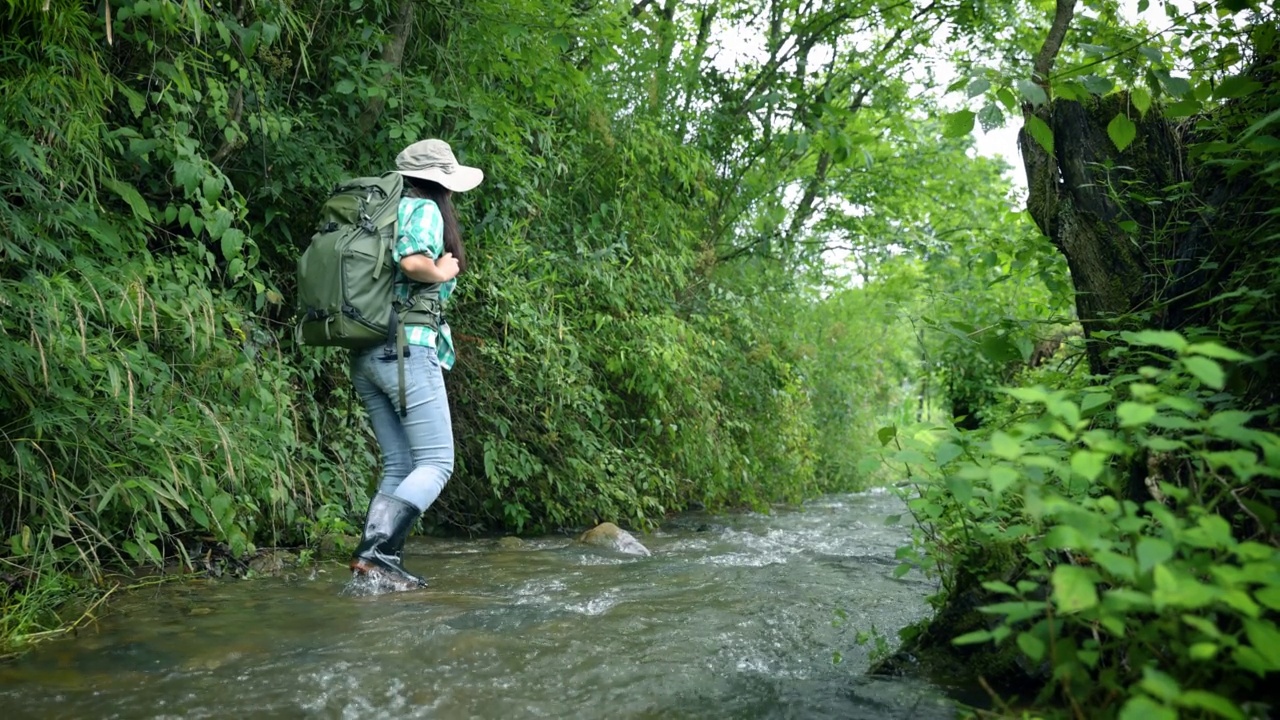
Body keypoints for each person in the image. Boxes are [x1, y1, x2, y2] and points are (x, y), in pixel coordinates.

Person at [347, 138, 483, 589]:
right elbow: (412, 262)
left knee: (400, 465)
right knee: (438, 462)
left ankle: (375, 573)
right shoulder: (421, 209)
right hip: (407, 350)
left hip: (368, 352)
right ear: (439, 182)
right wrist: (444, 270)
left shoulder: (378, 216)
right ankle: (378, 554)